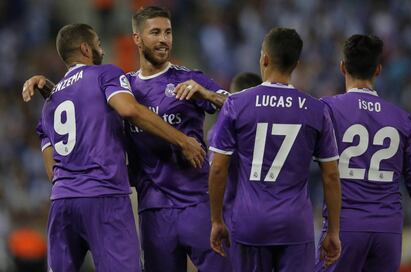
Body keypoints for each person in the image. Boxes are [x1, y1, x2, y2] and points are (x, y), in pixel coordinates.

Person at [28, 23, 206, 272]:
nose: (102, 47)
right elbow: (128, 109)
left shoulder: (49, 103)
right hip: (104, 198)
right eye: (98, 42)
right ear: (85, 48)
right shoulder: (106, 74)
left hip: (62, 203)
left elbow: (51, 172)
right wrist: (182, 140)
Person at [209, 27, 342, 272]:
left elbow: (218, 168)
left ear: (265, 58)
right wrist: (332, 231)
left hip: (250, 223)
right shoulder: (317, 110)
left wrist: (217, 220)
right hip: (296, 224)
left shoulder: (236, 104)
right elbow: (331, 176)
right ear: (296, 64)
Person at [124, 6, 231, 271]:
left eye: (168, 32)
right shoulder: (124, 89)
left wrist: (206, 94)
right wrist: (50, 89)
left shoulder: (190, 78)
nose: (164, 39)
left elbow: (237, 108)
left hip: (198, 203)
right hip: (154, 210)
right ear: (137, 39)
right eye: (156, 32)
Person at [315, 35, 411, 272]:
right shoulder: (402, 119)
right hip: (388, 230)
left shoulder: (327, 109)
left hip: (345, 226)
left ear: (342, 67)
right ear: (378, 70)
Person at [207, 71, 262, 265]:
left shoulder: (219, 131)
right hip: (269, 213)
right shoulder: (272, 127)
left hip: (232, 217)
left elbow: (216, 170)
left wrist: (214, 219)